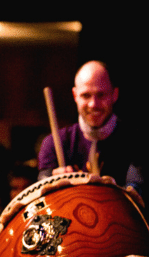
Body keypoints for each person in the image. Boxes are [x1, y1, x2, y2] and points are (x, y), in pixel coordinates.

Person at [37, 60, 143, 193]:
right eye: (86, 95)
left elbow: (137, 190)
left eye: (101, 95)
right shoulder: (54, 142)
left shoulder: (136, 141)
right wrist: (50, 182)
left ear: (114, 94)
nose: (93, 104)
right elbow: (41, 186)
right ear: (75, 95)